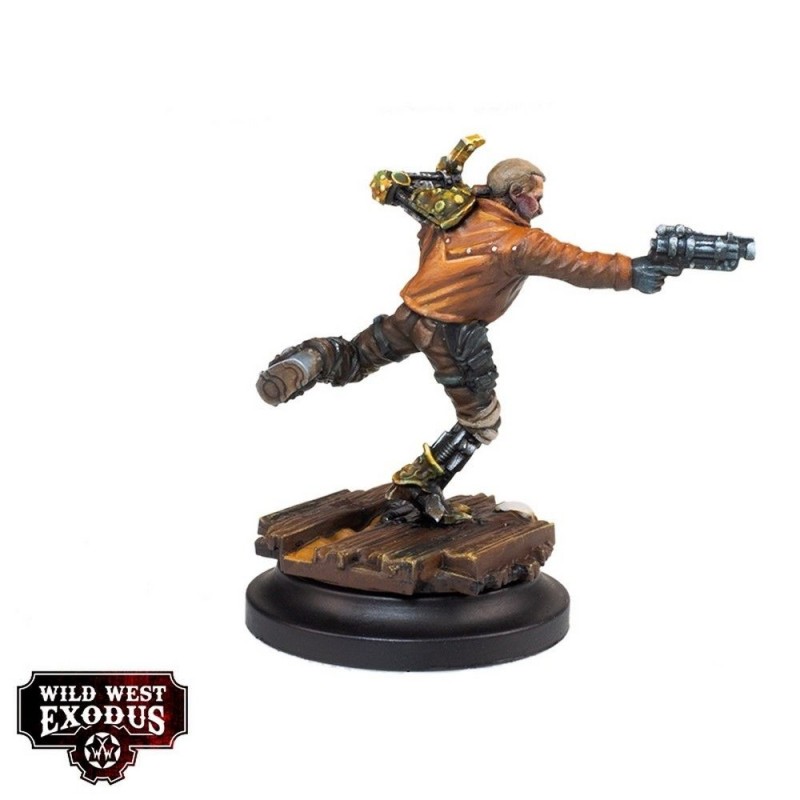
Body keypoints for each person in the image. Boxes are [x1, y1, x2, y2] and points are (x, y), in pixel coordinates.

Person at [257, 158, 678, 523]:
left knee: (352, 358)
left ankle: (305, 362)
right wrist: (631, 272)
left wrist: (404, 188)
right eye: (535, 198)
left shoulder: (450, 211)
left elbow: (402, 195)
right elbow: (577, 264)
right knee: (481, 421)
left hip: (409, 314)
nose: (540, 207)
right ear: (516, 195)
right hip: (453, 335)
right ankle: (418, 488)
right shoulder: (520, 242)